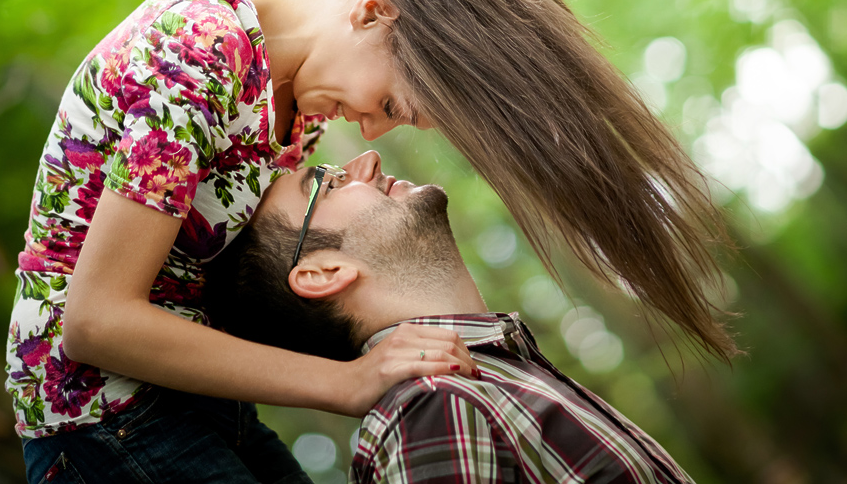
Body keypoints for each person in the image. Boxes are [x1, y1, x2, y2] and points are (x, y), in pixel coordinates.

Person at [7, 0, 731, 483]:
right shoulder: (199, 52)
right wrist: (349, 383)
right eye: (388, 101)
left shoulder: (297, 95)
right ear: (373, 11)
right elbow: (95, 322)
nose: (373, 129)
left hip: (190, 404)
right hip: (98, 419)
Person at [205, 149, 697, 484]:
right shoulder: (436, 405)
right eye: (328, 183)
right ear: (324, 272)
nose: (367, 159)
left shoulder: (477, 384)